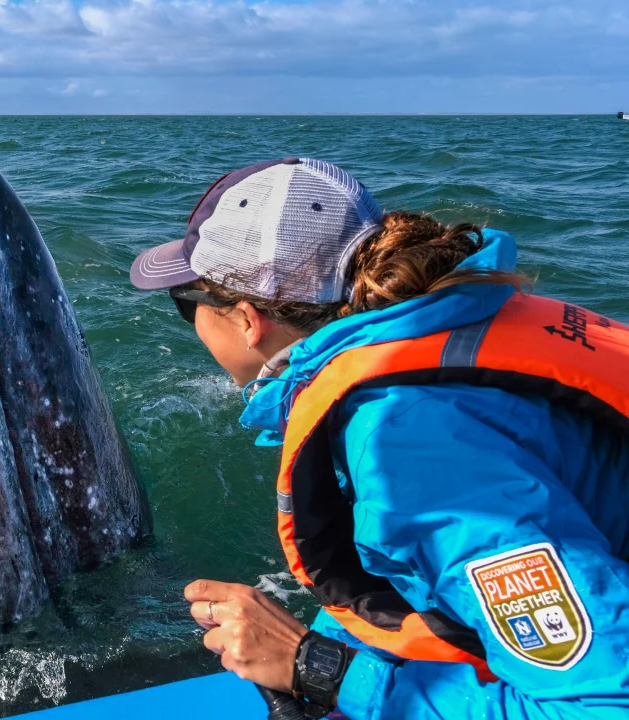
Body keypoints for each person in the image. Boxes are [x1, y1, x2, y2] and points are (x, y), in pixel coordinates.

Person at [128, 158, 629, 719]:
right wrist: (337, 641)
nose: (190, 320)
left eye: (186, 303)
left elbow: (605, 707)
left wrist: (313, 667)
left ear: (248, 320)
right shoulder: (460, 322)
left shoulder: (410, 443)